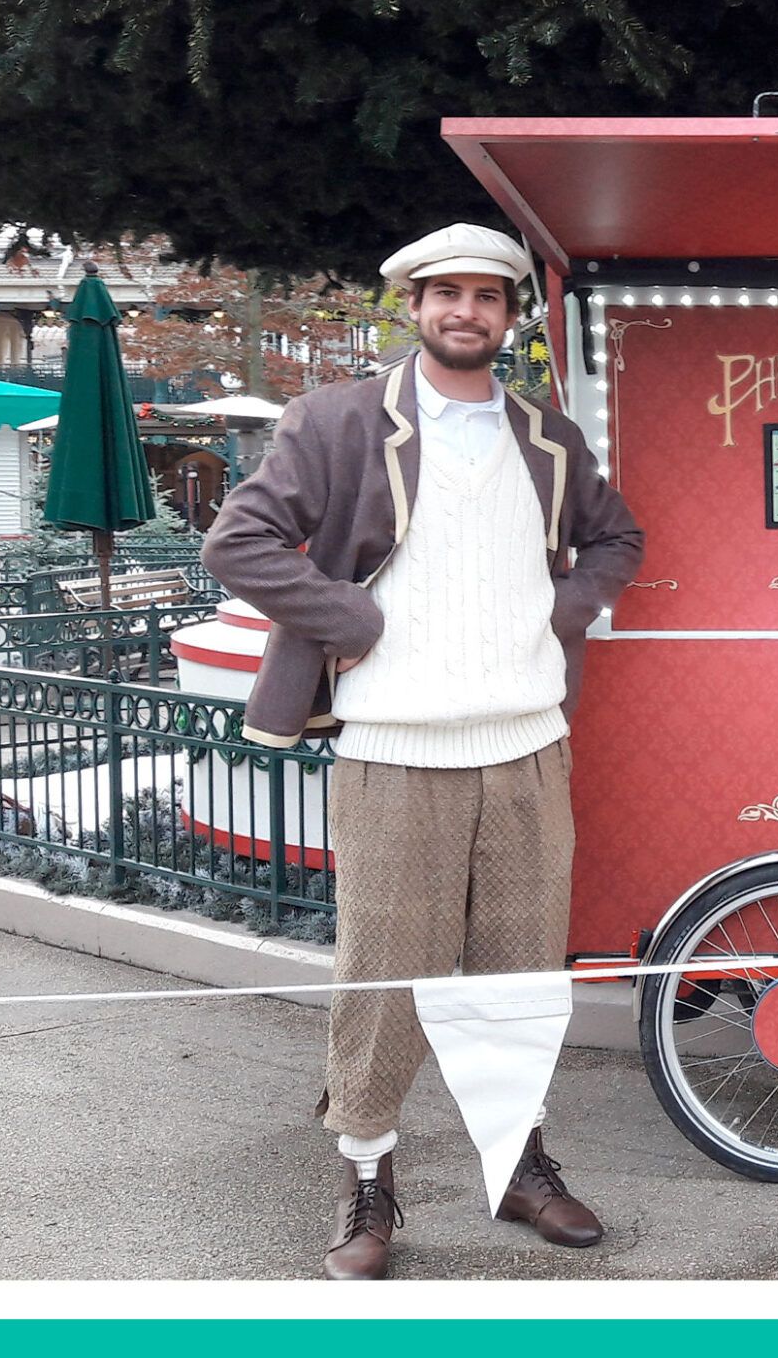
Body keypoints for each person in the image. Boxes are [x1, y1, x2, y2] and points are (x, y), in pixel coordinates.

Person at [204, 223, 643, 1280]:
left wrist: (564, 607)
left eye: (485, 297)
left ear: (508, 315)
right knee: (383, 979)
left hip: (527, 745)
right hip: (396, 749)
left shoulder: (547, 437)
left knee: (520, 977)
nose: (464, 312)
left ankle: (519, 1163)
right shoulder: (338, 421)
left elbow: (619, 538)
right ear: (411, 305)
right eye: (444, 293)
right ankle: (366, 1180)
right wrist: (352, 622)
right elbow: (238, 540)